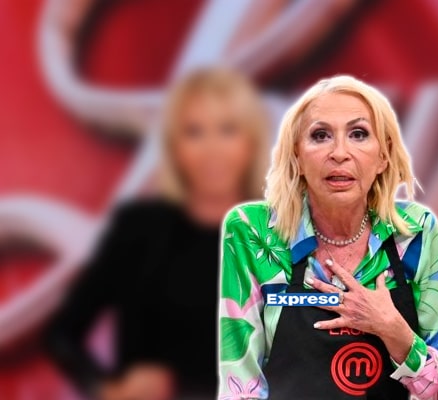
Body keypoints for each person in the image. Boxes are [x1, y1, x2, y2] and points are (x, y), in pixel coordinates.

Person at [218, 75, 438, 399]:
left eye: (358, 134)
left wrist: (392, 328)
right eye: (320, 135)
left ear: (383, 156)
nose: (339, 153)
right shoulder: (253, 231)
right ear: (297, 156)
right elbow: (240, 388)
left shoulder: (414, 232)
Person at [44, 67, 270, 400]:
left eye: (227, 130)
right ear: (175, 147)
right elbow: (62, 335)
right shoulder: (138, 229)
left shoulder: (280, 236)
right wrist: (107, 389)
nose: (212, 149)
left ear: (251, 142)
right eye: (194, 132)